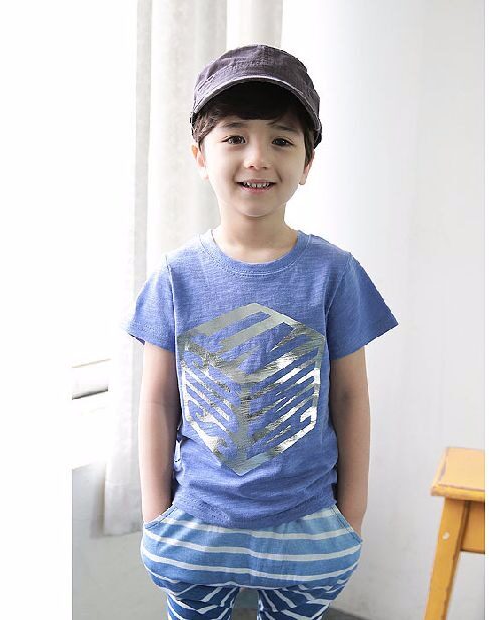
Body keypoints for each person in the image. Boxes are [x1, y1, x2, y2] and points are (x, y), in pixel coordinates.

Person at [123, 44, 399, 620]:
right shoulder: (175, 277)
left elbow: (351, 397)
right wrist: (155, 515)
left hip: (309, 523)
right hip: (196, 522)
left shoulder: (334, 273)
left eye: (281, 140)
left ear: (308, 162)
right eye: (234, 137)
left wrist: (351, 517)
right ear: (200, 155)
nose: (257, 158)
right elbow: (157, 400)